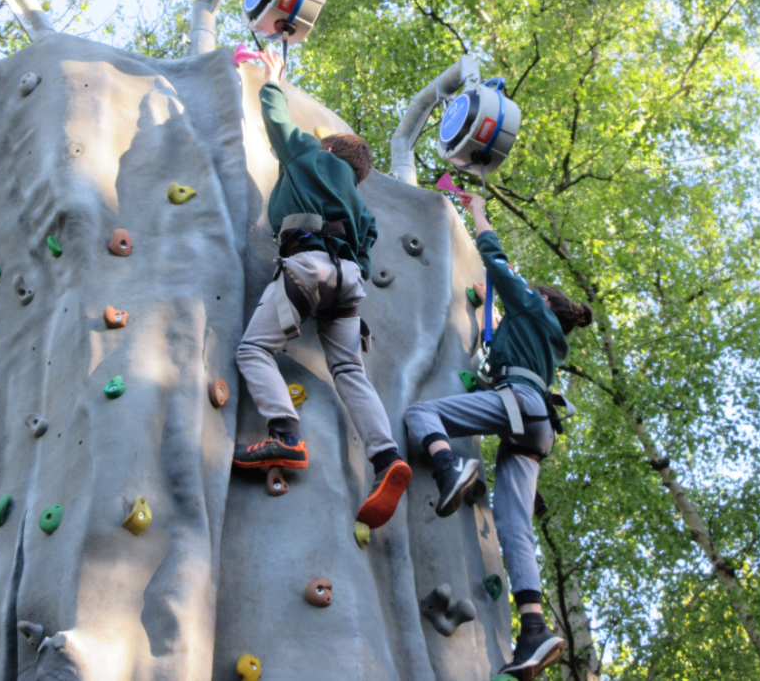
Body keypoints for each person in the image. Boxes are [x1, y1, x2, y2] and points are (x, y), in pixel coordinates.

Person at [404, 192, 593, 681]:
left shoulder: (533, 309)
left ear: (543, 299)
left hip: (521, 404)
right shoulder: (542, 338)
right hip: (535, 430)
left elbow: (495, 259)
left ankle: (450, 469)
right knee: (515, 530)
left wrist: (479, 211)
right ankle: (534, 629)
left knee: (423, 415)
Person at [233, 50, 411, 530]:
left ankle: (286, 434)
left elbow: (275, 120)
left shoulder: (311, 156)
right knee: (350, 371)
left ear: (330, 150)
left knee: (253, 349)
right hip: (349, 283)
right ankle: (385, 458)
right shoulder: (361, 205)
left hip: (306, 264)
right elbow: (367, 263)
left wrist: (272, 80)